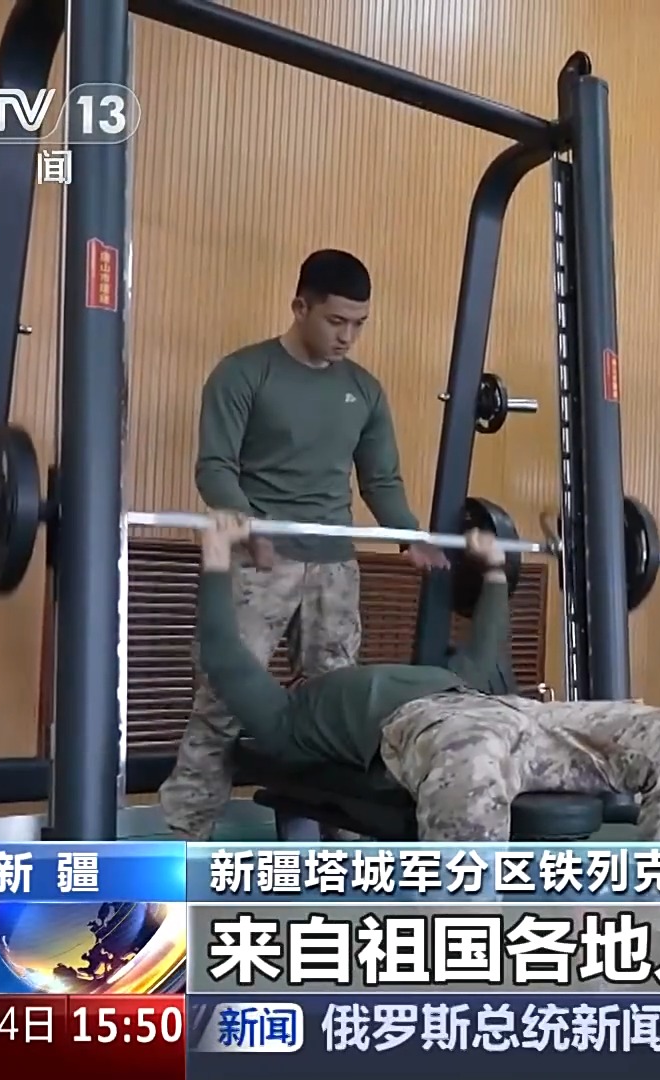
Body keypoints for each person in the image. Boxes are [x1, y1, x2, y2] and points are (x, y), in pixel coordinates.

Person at [190, 511, 660, 841]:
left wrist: (493, 569)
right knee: (474, 760)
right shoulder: (286, 715)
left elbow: (484, 647)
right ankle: (462, 952)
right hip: (430, 729)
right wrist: (215, 559)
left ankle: (654, 917)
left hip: (514, 713)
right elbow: (224, 652)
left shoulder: (434, 673)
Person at [160, 250, 448, 841]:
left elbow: (381, 480)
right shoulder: (244, 373)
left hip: (334, 568)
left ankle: (340, 843)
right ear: (300, 307)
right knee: (223, 700)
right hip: (260, 564)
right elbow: (215, 467)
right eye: (336, 321)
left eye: (359, 324)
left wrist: (408, 537)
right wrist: (249, 528)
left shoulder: (364, 391)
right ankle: (184, 841)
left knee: (338, 707)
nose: (347, 336)